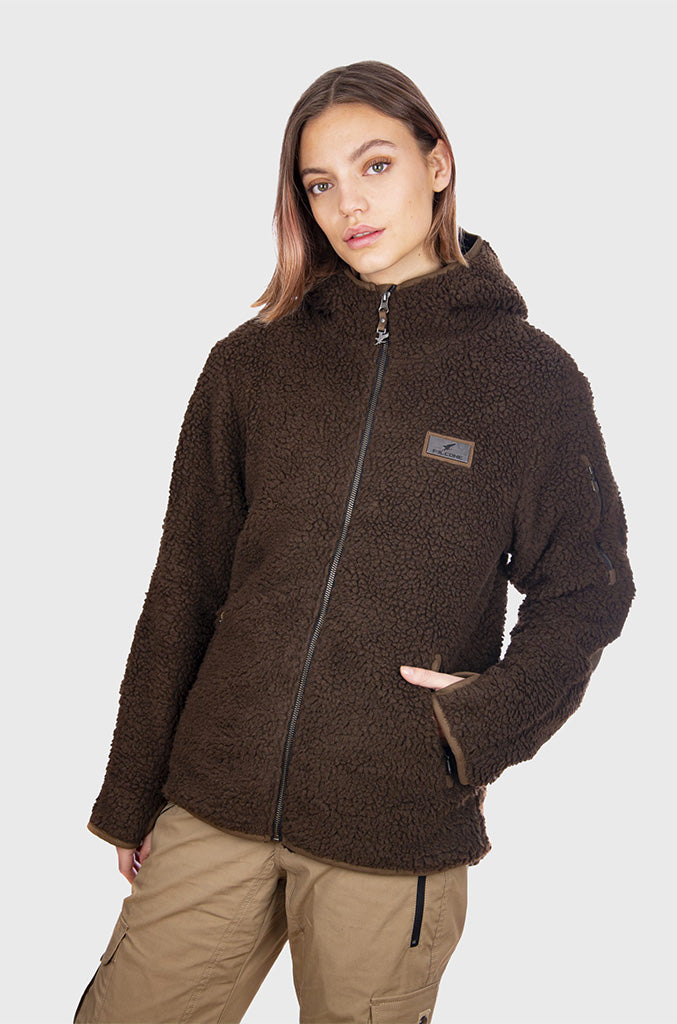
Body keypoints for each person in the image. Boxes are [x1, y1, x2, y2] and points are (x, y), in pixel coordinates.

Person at [73, 60, 635, 1024]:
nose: (349, 205)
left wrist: (479, 724)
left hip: (393, 818)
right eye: (319, 183)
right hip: (213, 795)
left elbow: (588, 588)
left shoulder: (528, 379)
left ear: (437, 164)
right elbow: (185, 584)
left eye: (375, 166)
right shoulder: (251, 363)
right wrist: (132, 791)